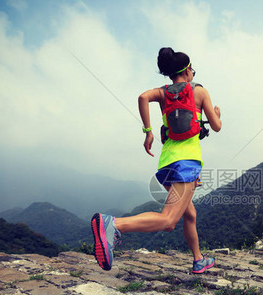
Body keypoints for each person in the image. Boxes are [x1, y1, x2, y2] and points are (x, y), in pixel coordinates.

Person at [91, 47, 222, 274]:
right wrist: (216, 115)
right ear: (188, 70)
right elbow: (217, 127)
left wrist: (148, 132)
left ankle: (199, 259)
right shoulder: (200, 92)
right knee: (169, 220)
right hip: (188, 163)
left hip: (167, 165)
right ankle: (113, 224)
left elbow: (143, 97)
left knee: (190, 213)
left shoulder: (163, 93)